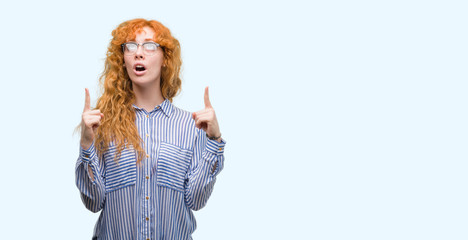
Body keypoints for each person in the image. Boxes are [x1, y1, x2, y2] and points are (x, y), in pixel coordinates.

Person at [75, 18, 226, 240]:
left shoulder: (190, 126)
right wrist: (87, 145)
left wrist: (214, 140)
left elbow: (196, 200)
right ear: (123, 60)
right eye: (131, 46)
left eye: (149, 45)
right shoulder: (102, 124)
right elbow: (93, 203)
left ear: (165, 59)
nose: (139, 53)